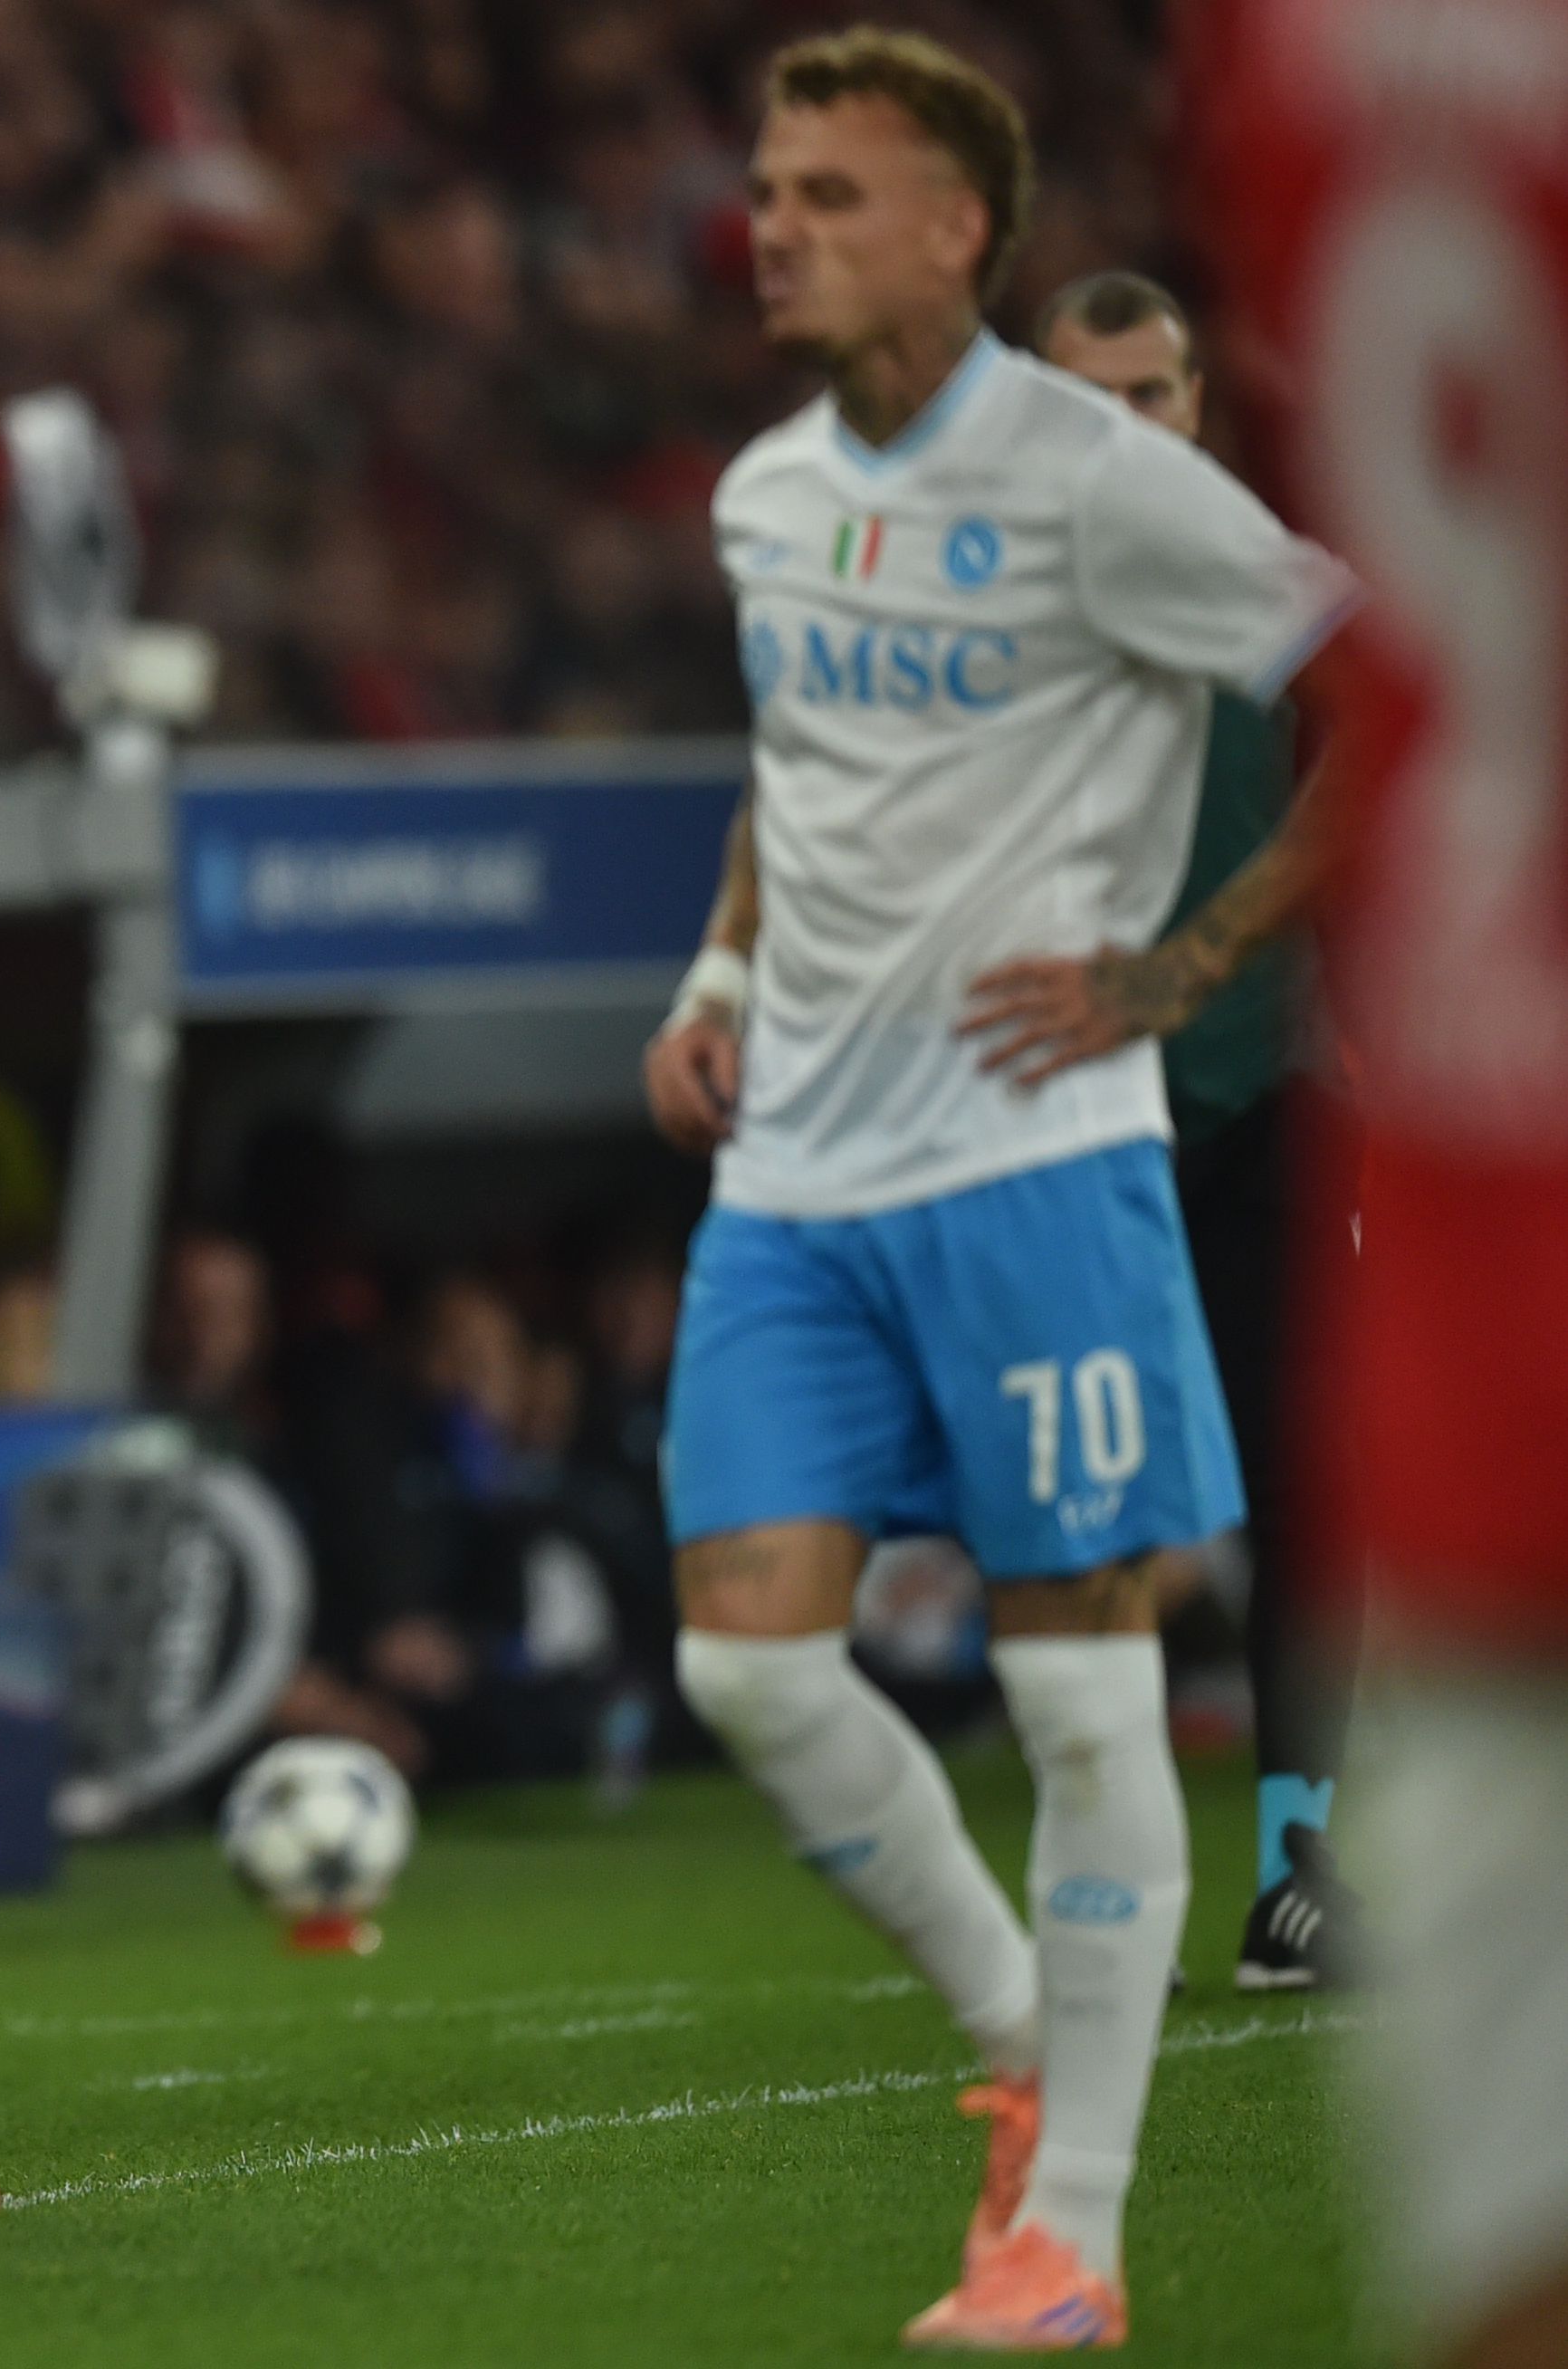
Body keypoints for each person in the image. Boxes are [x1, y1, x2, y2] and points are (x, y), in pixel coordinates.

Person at [640, 30, 1353, 2347]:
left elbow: (1390, 682)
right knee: (744, 1662)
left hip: (1038, 1157)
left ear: (960, 228)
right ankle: (1027, 2035)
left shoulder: (1101, 482)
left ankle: (1078, 2238)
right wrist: (718, 967)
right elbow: (799, 759)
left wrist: (1192, 959)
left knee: (1081, 1691)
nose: (775, 226)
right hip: (798, 1168)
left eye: (830, 193)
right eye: (770, 188)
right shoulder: (765, 494)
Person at [1197, 14, 1568, 2361]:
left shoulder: (1295, 66)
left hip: (1438, 1187)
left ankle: (1285, 1869)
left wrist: (1241, 948)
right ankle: (1282, 1866)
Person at [1026, 269, 1354, 1990]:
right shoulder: (989, 599)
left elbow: (1385, 730)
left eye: (1150, 396)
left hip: (1265, 1085)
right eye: (1086, 401)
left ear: (1199, 409)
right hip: (1070, 1112)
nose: (1123, 430)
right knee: (1085, 1507)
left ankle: (1300, 1869)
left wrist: (1219, 950)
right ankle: (1102, 1875)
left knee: (1309, 1492)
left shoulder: (1260, 580)